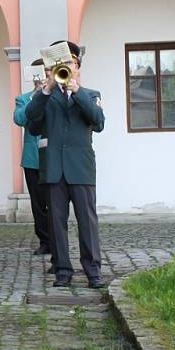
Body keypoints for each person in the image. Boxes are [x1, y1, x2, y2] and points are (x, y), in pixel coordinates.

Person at [25, 40, 106, 289]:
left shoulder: (91, 95)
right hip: (53, 168)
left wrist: (77, 92)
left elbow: (98, 122)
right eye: (63, 63)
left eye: (71, 63)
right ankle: (62, 271)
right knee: (56, 223)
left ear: (78, 66)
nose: (67, 67)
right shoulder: (45, 97)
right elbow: (33, 124)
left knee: (87, 221)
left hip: (80, 168)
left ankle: (93, 272)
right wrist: (46, 90)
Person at [14, 58, 51, 256]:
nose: (43, 76)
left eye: (46, 72)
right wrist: (36, 96)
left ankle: (56, 239)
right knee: (38, 204)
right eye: (40, 73)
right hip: (32, 158)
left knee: (54, 202)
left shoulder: (55, 95)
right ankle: (44, 240)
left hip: (53, 156)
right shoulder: (23, 99)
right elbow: (19, 119)